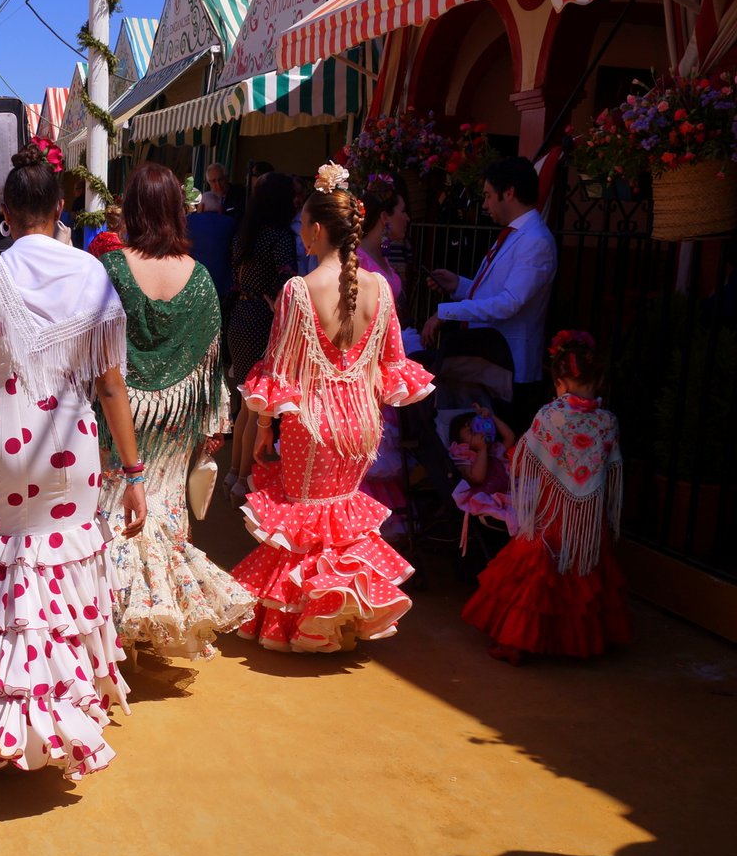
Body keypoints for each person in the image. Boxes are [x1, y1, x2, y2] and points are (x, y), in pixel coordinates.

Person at [0, 139, 146, 779]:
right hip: (73, 442)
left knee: (11, 573)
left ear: (5, 212)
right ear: (61, 207)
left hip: (7, 442)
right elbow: (111, 385)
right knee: (65, 569)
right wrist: (135, 474)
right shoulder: (93, 276)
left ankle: (9, 719)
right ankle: (70, 707)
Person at [231, 163, 434, 653]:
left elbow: (278, 372)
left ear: (317, 230)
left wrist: (263, 429)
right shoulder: (380, 289)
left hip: (311, 424)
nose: (300, 232)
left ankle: (304, 624)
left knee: (306, 526)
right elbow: (392, 366)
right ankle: (340, 619)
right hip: (361, 426)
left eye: (303, 224)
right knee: (340, 522)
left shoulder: (298, 292)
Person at [96, 164, 255, 660]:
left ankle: (113, 622)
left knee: (112, 511)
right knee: (161, 509)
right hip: (175, 418)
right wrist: (213, 427)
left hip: (117, 410)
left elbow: (92, 349)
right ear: (175, 211)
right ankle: (154, 622)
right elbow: (214, 366)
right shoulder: (202, 279)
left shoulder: (114, 269)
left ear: (134, 209)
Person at [462, 331, 627, 664]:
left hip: (552, 511)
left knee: (540, 572)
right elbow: (609, 470)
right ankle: (576, 644)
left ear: (560, 382)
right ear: (599, 379)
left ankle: (519, 642)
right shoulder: (607, 422)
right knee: (582, 567)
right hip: (587, 519)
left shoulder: (551, 416)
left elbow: (524, 459)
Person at [422, 156, 557, 424]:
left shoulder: (535, 241)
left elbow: (509, 303)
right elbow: (496, 293)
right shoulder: (514, 234)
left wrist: (446, 313)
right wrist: (459, 285)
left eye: (487, 195)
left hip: (511, 368)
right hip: (490, 363)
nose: (484, 204)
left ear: (508, 193)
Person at [224, 172, 299, 495]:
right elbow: (288, 281)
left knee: (246, 401)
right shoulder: (280, 237)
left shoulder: (246, 233)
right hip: (263, 320)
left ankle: (233, 475)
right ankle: (244, 480)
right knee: (259, 402)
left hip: (240, 316)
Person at [356, 179, 417, 538]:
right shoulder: (360, 261)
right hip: (367, 368)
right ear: (384, 217)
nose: (407, 217)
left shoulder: (385, 256)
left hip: (386, 367)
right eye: (402, 210)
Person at [449, 405, 517, 534]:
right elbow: (477, 477)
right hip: (487, 498)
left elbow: (510, 437)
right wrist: (481, 450)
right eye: (472, 432)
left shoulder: (494, 451)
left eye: (480, 429)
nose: (480, 434)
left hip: (506, 491)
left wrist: (491, 417)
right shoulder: (463, 457)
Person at [186, 189, 237, 303]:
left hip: (195, 283)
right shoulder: (230, 223)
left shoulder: (188, 221)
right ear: (220, 209)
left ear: (202, 206)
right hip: (222, 285)